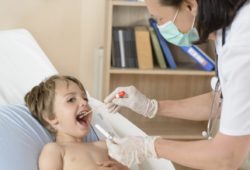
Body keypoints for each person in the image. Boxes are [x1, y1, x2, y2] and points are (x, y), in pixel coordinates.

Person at [104, 0, 250, 169]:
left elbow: (226, 158)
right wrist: (151, 107)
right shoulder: (225, 30)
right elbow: (224, 100)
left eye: (160, 18)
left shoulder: (242, 44)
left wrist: (150, 147)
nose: (160, 27)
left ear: (190, 5)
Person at [24, 75, 128, 170]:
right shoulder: (54, 150)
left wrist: (120, 168)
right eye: (71, 100)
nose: (84, 102)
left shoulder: (104, 146)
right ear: (52, 117)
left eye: (85, 98)